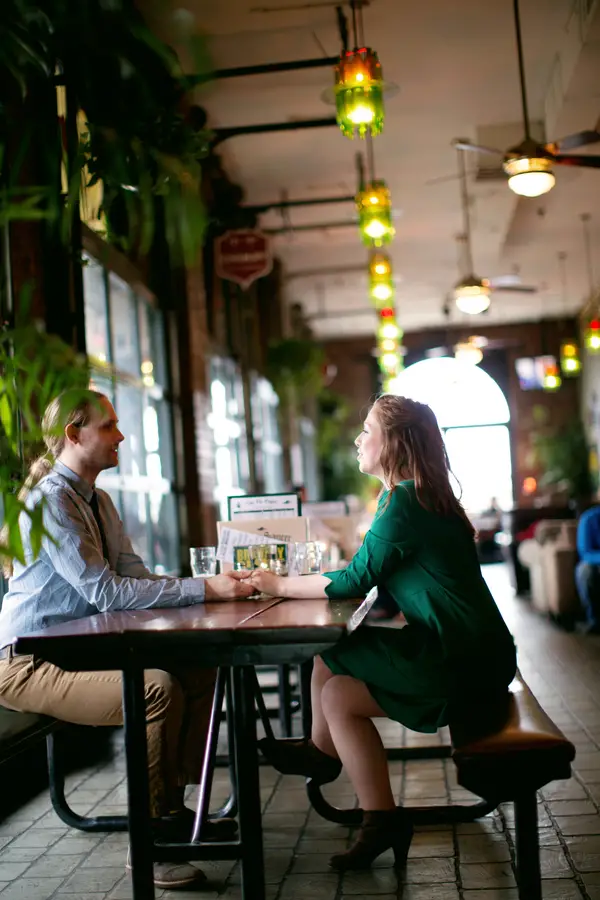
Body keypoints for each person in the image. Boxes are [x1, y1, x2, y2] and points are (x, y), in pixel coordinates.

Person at [231, 394, 517, 871]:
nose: (358, 439)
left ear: (395, 443)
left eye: (367, 430)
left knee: (332, 659)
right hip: (471, 649)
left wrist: (274, 583)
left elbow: (351, 582)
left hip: (461, 659)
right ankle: (373, 810)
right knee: (335, 681)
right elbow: (365, 571)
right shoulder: (412, 495)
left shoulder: (405, 501)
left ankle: (327, 760)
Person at [0, 389, 255, 891]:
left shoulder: (99, 499)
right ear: (74, 435)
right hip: (24, 663)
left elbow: (132, 574)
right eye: (109, 426)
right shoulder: (52, 500)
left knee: (199, 668)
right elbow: (105, 593)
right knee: (155, 689)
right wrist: (203, 587)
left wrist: (210, 592)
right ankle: (150, 845)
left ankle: (172, 809)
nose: (121, 436)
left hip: (75, 653)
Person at [575, 505, 600, 633]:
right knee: (585, 570)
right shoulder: (589, 518)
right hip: (596, 565)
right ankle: (594, 621)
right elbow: (585, 553)